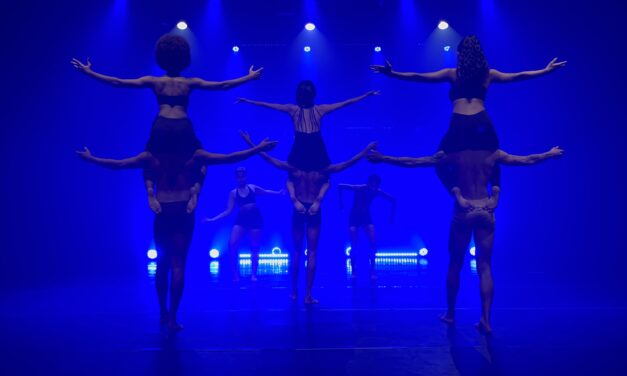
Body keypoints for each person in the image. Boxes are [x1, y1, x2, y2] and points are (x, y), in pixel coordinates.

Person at [76, 137, 276, 333]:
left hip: (179, 211)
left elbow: (228, 158)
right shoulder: (170, 157)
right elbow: (120, 164)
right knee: (167, 264)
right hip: (170, 212)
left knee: (173, 265)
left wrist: (257, 148)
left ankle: (170, 315)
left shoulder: (183, 157)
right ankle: (166, 313)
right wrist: (92, 158)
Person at [368, 145, 564, 334]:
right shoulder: (493, 154)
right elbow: (527, 160)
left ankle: (451, 314)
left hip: (464, 208)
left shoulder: (451, 154)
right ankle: (486, 320)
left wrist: (383, 157)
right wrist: (549, 153)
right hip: (486, 208)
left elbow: (413, 162)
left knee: (455, 263)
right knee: (485, 266)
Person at [72, 34, 263, 211]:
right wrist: (249, 78)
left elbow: (117, 82)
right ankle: (194, 193)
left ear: (161, 58)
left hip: (162, 125)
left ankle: (150, 194)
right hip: (182, 126)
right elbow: (223, 86)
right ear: (184, 58)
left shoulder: (154, 81)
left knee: (148, 158)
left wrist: (90, 73)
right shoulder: (188, 83)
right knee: (201, 160)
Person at [371, 35, 566, 193]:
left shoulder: (452, 74)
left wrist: (393, 74)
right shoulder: (489, 74)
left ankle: (459, 194)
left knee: (434, 160)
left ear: (460, 54)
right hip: (482, 122)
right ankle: (489, 193)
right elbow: (519, 76)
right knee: (501, 158)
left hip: (460, 123)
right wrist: (545, 71)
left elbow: (419, 77)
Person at [240, 131, 377, 304]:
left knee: (298, 251)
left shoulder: (294, 168)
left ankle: (295, 293)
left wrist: (251, 142)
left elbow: (268, 158)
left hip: (301, 207)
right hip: (313, 208)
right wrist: (365, 151)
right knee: (310, 252)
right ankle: (307, 295)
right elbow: (347, 164)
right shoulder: (322, 169)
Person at [236, 81, 379, 171]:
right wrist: (248, 101)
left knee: (330, 169)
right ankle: (365, 151)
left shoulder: (316, 110)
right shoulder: (295, 110)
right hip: (304, 144)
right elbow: (271, 106)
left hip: (313, 144)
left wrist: (365, 95)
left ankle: (365, 151)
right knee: (291, 167)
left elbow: (345, 103)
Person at [203, 167, 284, 282]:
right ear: (236, 178)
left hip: (255, 218)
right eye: (239, 177)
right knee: (232, 244)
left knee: (254, 246)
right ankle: (235, 274)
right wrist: (212, 219)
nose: (241, 178)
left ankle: (253, 275)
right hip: (242, 219)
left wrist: (278, 193)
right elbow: (228, 211)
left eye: (243, 176)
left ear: (246, 176)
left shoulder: (252, 187)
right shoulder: (233, 193)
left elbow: (266, 192)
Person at [338, 175, 396, 280]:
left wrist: (391, 216)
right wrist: (340, 204)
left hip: (365, 216)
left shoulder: (377, 191)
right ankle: (354, 270)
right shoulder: (360, 188)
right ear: (369, 183)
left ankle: (372, 270)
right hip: (354, 216)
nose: (374, 187)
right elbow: (341, 186)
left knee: (373, 242)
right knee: (354, 243)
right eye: (373, 184)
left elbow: (393, 200)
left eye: (376, 185)